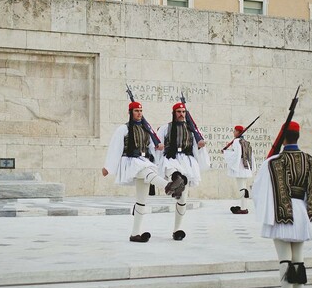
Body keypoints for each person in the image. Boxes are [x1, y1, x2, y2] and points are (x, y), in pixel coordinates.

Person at [252, 121, 312, 288]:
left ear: (283, 138)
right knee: (298, 260)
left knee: (285, 259)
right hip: (302, 212)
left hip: (282, 213)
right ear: (298, 136)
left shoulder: (273, 162)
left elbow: (258, 190)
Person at [102, 101, 186, 243]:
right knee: (148, 172)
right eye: (136, 111)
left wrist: (158, 147)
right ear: (130, 112)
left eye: (140, 111)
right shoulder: (123, 129)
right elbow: (115, 148)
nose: (139, 113)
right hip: (131, 162)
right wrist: (108, 167)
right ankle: (169, 186)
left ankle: (135, 234)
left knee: (141, 200)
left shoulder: (146, 129)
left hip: (143, 159)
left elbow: (151, 146)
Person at [155, 102, 210, 241]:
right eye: (179, 111)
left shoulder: (192, 130)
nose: (181, 114)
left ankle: (177, 230)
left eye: (183, 112)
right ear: (174, 113)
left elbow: (197, 147)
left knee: (183, 199)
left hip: (186, 160)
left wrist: (201, 145)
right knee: (172, 170)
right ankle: (177, 180)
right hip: (171, 157)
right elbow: (157, 143)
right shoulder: (166, 127)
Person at [223, 125, 255, 214]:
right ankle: (243, 206)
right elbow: (250, 156)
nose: (233, 132)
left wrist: (225, 152)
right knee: (243, 186)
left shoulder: (237, 141)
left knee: (242, 188)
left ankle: (243, 209)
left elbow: (236, 155)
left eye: (234, 131)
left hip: (240, 167)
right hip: (246, 167)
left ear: (238, 132)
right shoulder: (246, 142)